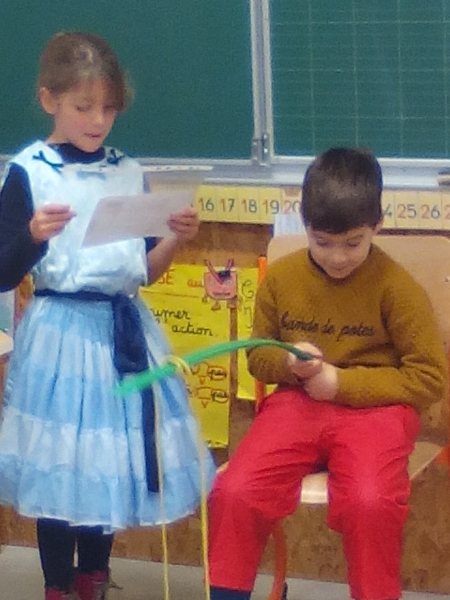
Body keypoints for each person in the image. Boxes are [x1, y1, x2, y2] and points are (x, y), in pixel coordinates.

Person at [0, 31, 215, 600]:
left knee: (109, 458)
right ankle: (57, 584)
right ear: (49, 100)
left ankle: (93, 577)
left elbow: (143, 271)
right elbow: (2, 272)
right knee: (60, 463)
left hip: (123, 330)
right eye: (83, 107)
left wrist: (174, 239)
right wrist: (32, 235)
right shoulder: (29, 170)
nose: (98, 120)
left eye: (109, 108)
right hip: (60, 335)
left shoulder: (127, 170)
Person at [207, 147, 448, 600]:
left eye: (353, 243)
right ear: (305, 224)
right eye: (323, 242)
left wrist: (340, 383)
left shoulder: (397, 288)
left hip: (377, 412)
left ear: (378, 225)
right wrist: (289, 364)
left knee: (369, 502)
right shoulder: (282, 279)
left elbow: (429, 377)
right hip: (296, 406)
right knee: (234, 490)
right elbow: (258, 357)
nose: (338, 257)